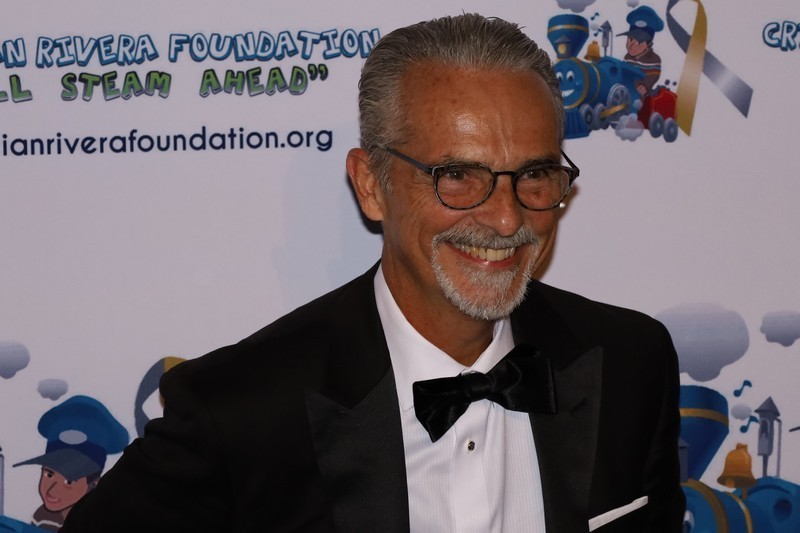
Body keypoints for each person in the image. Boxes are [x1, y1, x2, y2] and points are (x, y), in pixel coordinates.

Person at [61, 13, 684, 532]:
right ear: (371, 185)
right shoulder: (240, 412)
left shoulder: (633, 364)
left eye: (535, 174)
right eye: (457, 175)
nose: (505, 218)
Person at [12, 395, 128, 531]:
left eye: (68, 482)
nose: (51, 490)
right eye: (49, 474)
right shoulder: (43, 517)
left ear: (95, 483)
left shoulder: (106, 520)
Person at [619, 5, 665, 96]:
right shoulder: (627, 57)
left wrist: (645, 85)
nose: (631, 46)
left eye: (638, 42)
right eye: (630, 39)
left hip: (640, 95)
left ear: (648, 44)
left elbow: (653, 76)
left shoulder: (654, 59)